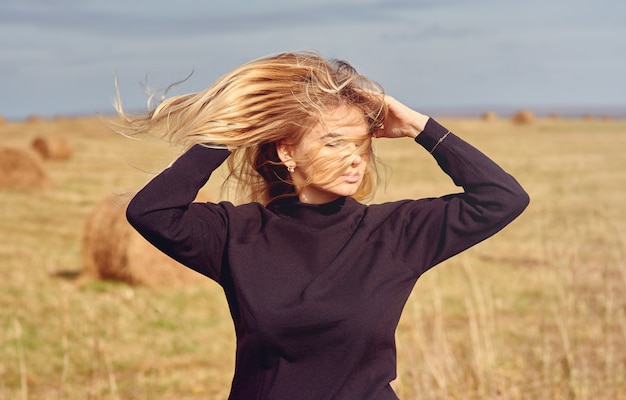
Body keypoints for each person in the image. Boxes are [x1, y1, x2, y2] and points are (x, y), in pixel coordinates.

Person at [119, 51, 529, 400]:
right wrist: (233, 131)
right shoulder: (235, 234)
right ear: (287, 151)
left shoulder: (395, 233)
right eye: (334, 141)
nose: (354, 158)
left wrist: (421, 127)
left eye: (360, 145)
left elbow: (502, 198)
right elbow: (152, 212)